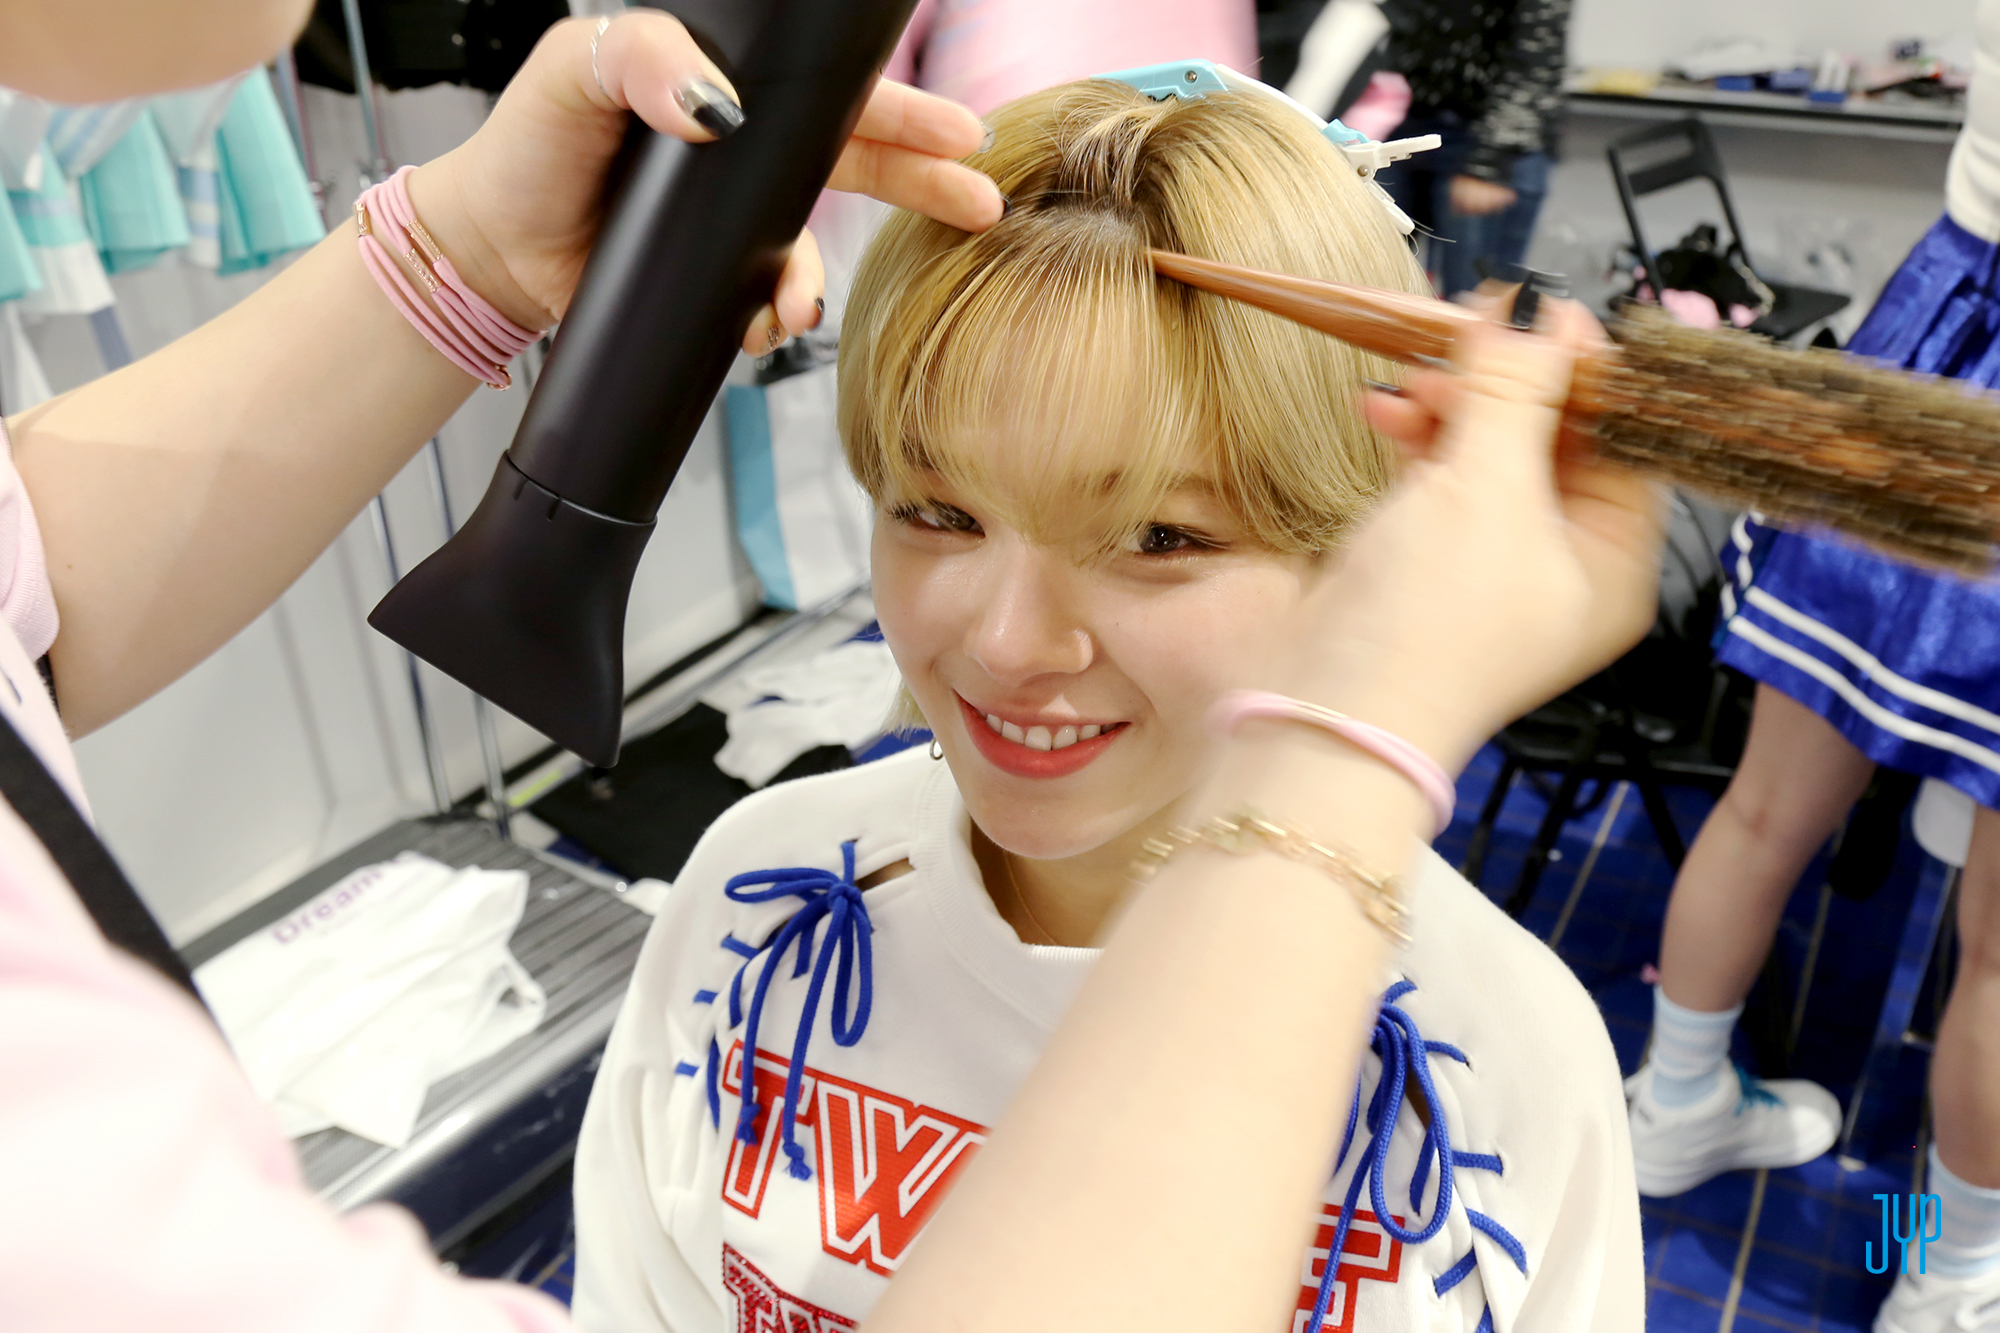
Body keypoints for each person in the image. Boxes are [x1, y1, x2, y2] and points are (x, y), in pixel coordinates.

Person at [572, 76, 1646, 1333]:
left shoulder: (1493, 1061)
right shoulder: (755, 905)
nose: (1007, 642)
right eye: (937, 512)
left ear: (1354, 546)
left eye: (1156, 535)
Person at [1625, 4, 2000, 1330]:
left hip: (1941, 332)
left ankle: (1675, 1101)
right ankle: (1949, 1272)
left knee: (1764, 812)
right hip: (1952, 343)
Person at [1373, 0, 1569, 298]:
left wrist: (1488, 164)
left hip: (1487, 139)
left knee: (1470, 303)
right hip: (1402, 120)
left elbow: (1536, 59)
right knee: (1372, 284)